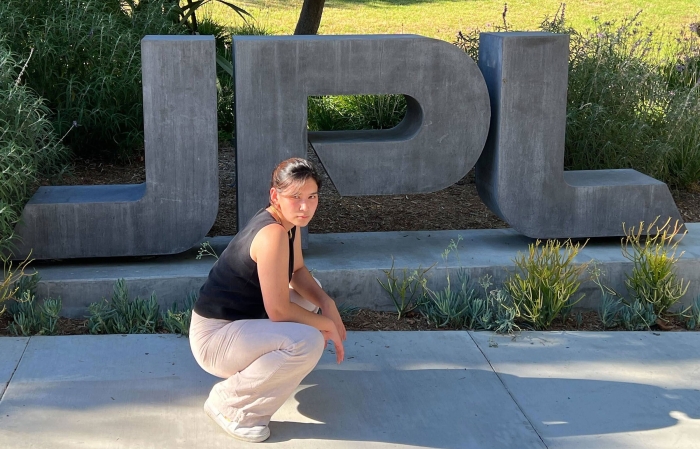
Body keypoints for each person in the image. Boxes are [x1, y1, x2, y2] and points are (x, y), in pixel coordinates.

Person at [189, 157, 346, 443]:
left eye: (312, 197)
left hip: (243, 323)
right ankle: (230, 405)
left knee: (313, 295)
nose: (304, 206)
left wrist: (328, 303)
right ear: (275, 196)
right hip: (215, 337)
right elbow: (278, 310)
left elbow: (296, 271)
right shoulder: (272, 233)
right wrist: (325, 323)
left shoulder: (288, 224)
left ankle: (259, 379)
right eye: (295, 197)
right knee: (307, 341)